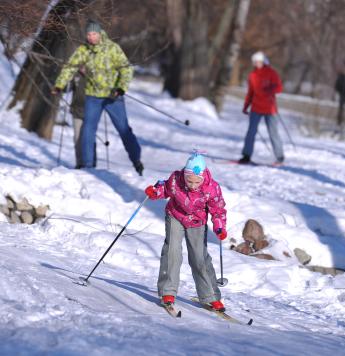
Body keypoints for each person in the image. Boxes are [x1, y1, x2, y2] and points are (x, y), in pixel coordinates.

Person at [52, 21, 143, 175]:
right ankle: (88, 166)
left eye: (94, 34)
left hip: (112, 97)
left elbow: (126, 69)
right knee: (88, 129)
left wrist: (120, 88)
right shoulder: (84, 50)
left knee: (123, 129)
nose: (91, 37)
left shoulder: (112, 48)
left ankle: (136, 159)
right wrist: (59, 85)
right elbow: (70, 67)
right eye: (88, 34)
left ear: (100, 33)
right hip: (93, 96)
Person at [144, 151, 227, 311]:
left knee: (199, 257)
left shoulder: (212, 188)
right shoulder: (176, 179)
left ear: (203, 178)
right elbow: (165, 189)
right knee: (172, 251)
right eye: (190, 181)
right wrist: (155, 192)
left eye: (197, 182)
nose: (193, 185)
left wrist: (219, 226)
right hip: (175, 216)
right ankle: (167, 291)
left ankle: (210, 296)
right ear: (184, 175)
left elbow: (218, 210)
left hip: (197, 221)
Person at [239, 51, 284, 165]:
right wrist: (246, 106)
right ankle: (246, 155)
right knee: (251, 132)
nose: (257, 64)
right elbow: (250, 92)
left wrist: (270, 89)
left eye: (259, 61)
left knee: (273, 133)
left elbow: (279, 88)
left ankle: (280, 157)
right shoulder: (253, 75)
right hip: (256, 107)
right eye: (255, 62)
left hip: (270, 108)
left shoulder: (271, 73)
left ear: (263, 61)